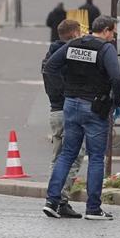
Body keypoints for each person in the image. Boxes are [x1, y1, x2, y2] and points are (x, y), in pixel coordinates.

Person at [42, 15, 120, 220]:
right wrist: (117, 102)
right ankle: (93, 208)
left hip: (70, 105)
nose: (113, 36)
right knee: (96, 157)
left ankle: (52, 201)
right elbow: (116, 77)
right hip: (94, 106)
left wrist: (66, 89)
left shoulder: (73, 45)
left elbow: (50, 66)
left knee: (67, 154)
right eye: (112, 32)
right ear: (105, 30)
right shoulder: (105, 49)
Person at [42, 19, 85, 218]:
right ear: (75, 33)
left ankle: (53, 198)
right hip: (69, 109)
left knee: (57, 157)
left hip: (54, 111)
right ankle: (59, 199)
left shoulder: (49, 56)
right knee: (74, 157)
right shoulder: (71, 56)